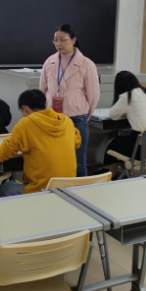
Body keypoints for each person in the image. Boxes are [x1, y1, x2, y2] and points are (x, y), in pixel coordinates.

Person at [0, 89, 81, 196]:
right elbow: (77, 142)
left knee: (3, 188)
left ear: (25, 108)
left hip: (41, 191)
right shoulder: (66, 121)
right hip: (68, 190)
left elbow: (0, 155)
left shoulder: (25, 124)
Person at [40, 24, 99, 177]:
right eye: (55, 40)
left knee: (78, 162)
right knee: (53, 160)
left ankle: (80, 191)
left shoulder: (86, 64)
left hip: (77, 119)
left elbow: (93, 95)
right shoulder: (50, 62)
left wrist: (84, 114)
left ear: (73, 40)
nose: (58, 44)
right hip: (53, 119)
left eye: (62, 40)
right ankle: (56, 189)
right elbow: (43, 89)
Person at [104, 71, 146, 169]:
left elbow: (113, 115)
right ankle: (121, 171)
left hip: (142, 149)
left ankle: (111, 172)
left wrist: (127, 113)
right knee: (124, 141)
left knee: (112, 141)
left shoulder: (128, 96)